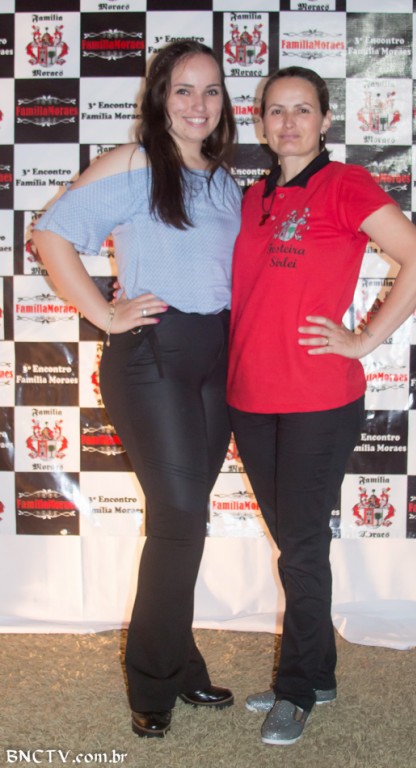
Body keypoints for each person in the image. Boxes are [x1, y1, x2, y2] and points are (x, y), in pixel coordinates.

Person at [32, 40, 241, 738]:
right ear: (159, 97)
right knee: (178, 518)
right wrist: (105, 313)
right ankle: (152, 682)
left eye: (211, 90)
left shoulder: (223, 180)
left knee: (187, 519)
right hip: (153, 354)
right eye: (183, 89)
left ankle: (179, 663)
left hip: (215, 356)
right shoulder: (134, 163)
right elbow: (52, 236)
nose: (198, 104)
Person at [227, 66, 416, 746]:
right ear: (261, 122)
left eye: (303, 109)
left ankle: (296, 690)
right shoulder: (251, 197)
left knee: (300, 548)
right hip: (249, 398)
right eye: (276, 110)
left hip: (318, 399)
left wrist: (364, 339)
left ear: (324, 120)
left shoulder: (345, 185)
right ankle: (316, 673)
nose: (289, 122)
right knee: (296, 544)